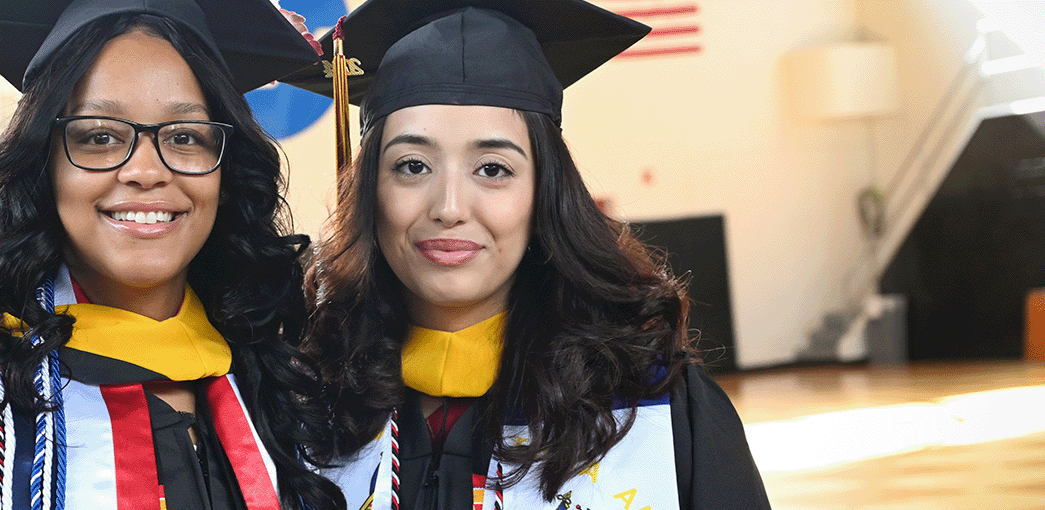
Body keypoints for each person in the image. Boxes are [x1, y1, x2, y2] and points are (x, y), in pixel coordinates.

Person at [0, 1, 343, 509]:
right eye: (100, 137)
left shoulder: (275, 386)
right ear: (43, 166)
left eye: (185, 136)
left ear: (225, 173)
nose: (147, 170)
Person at [283, 1, 771, 508]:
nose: (449, 208)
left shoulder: (655, 407)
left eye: (493, 169)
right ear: (367, 190)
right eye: (412, 165)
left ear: (545, 193)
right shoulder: (301, 403)